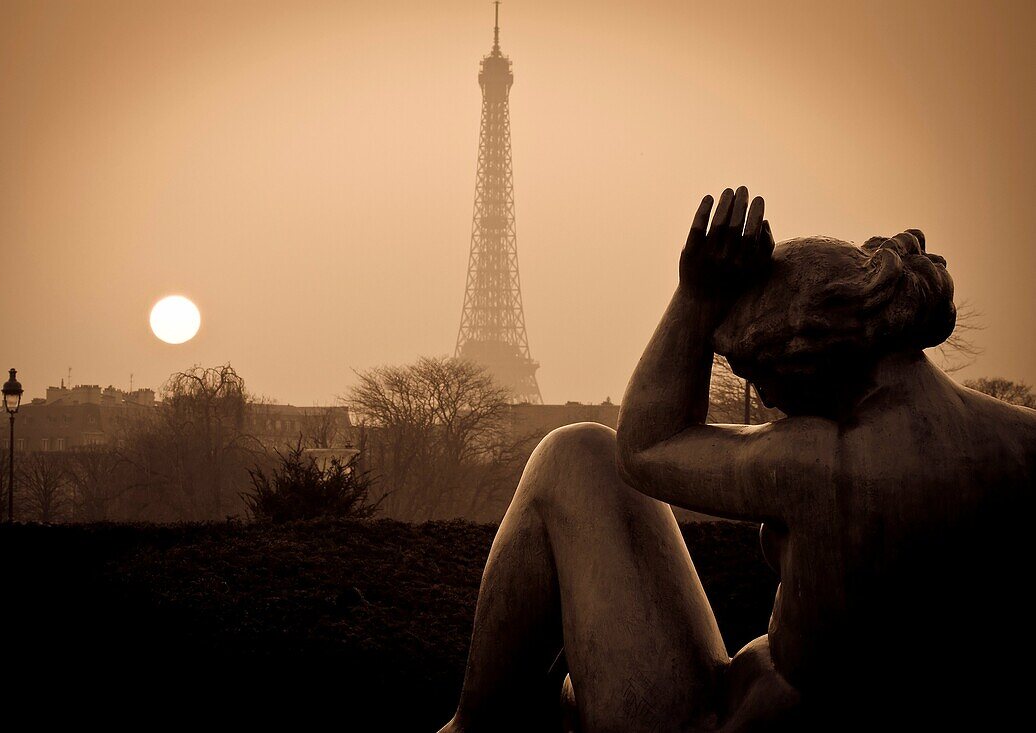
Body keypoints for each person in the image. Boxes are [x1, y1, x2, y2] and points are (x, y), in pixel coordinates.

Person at [438, 187, 1036, 732]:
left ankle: (477, 728)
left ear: (807, 362)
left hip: (720, 725)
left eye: (766, 387)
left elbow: (644, 445)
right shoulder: (1021, 441)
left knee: (576, 454)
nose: (772, 409)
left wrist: (696, 297)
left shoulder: (823, 463)